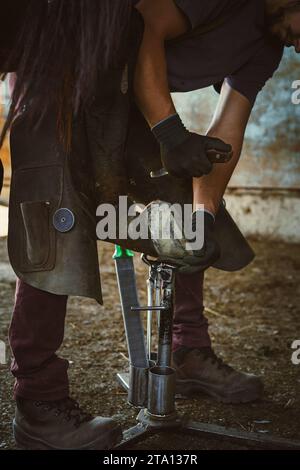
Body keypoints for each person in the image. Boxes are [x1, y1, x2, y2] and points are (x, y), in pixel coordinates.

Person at [0, 0, 299, 450]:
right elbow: (145, 27)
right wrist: (171, 135)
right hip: (63, 73)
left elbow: (229, 129)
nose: (299, 47)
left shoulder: (267, 48)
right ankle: (38, 403)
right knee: (55, 227)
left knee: (187, 216)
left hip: (120, 99)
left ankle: (187, 350)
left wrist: (202, 217)